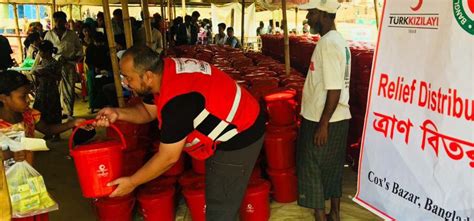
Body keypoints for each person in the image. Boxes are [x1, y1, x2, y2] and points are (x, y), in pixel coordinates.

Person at [95, 46, 265, 221]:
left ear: (147, 76)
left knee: (220, 206)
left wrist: (132, 182)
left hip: (242, 131)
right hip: (233, 118)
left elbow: (168, 158)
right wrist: (118, 113)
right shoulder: (162, 72)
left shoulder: (178, 102)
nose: (126, 83)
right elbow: (148, 112)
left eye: (128, 78)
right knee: (217, 188)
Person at [296, 1, 351, 221]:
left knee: (311, 167)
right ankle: (334, 214)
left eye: (311, 13)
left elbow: (334, 89)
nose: (307, 18)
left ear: (322, 13)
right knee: (332, 166)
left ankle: (321, 218)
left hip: (322, 119)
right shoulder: (339, 40)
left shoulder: (327, 44)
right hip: (339, 118)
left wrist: (323, 124)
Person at [0, 70, 83, 165]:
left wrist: (72, 123)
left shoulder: (29, 115)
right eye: (23, 97)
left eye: (28, 95)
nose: (28, 100)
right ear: (3, 98)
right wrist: (9, 154)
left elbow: (48, 129)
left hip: (27, 170)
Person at [44, 11, 83, 119]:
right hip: (53, 66)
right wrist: (56, 58)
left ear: (65, 21)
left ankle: (68, 113)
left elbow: (79, 50)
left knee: (69, 89)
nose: (59, 23)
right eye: (56, 21)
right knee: (55, 90)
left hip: (69, 65)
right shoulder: (49, 34)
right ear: (54, 21)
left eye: (61, 20)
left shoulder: (72, 34)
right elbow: (44, 51)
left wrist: (72, 58)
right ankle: (57, 112)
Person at [31, 40, 62, 140]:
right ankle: (47, 131)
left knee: (54, 111)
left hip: (51, 90)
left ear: (48, 52)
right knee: (41, 111)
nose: (40, 53)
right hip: (42, 90)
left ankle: (57, 134)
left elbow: (58, 77)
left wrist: (46, 73)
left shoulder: (55, 63)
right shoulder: (42, 61)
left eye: (41, 51)